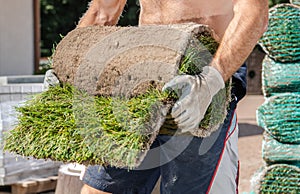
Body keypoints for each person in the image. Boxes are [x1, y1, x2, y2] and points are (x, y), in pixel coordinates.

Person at [70, 0, 269, 193]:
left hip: (207, 69)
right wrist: (69, 67)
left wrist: (210, 81)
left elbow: (253, 12)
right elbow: (102, 12)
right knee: (100, 189)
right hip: (145, 74)